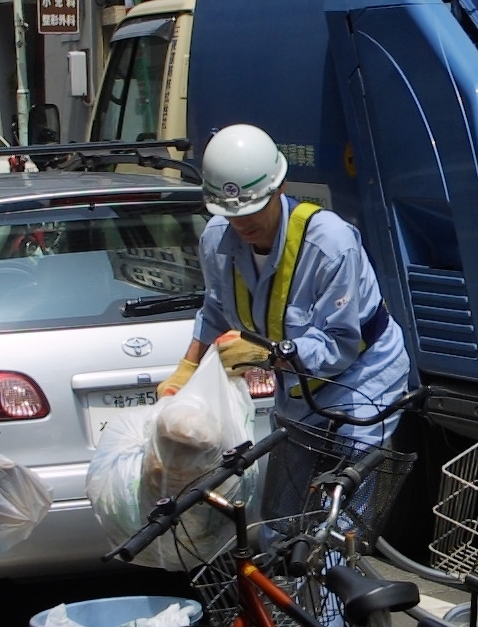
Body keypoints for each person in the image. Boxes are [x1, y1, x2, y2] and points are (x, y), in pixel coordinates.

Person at [158, 122, 411, 445]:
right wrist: (187, 369)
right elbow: (215, 312)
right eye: (230, 213)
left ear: (280, 188)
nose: (242, 223)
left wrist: (266, 354)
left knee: (349, 473)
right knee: (291, 472)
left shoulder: (330, 244)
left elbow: (339, 346)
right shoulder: (217, 240)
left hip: (362, 380)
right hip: (297, 388)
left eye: (254, 209)